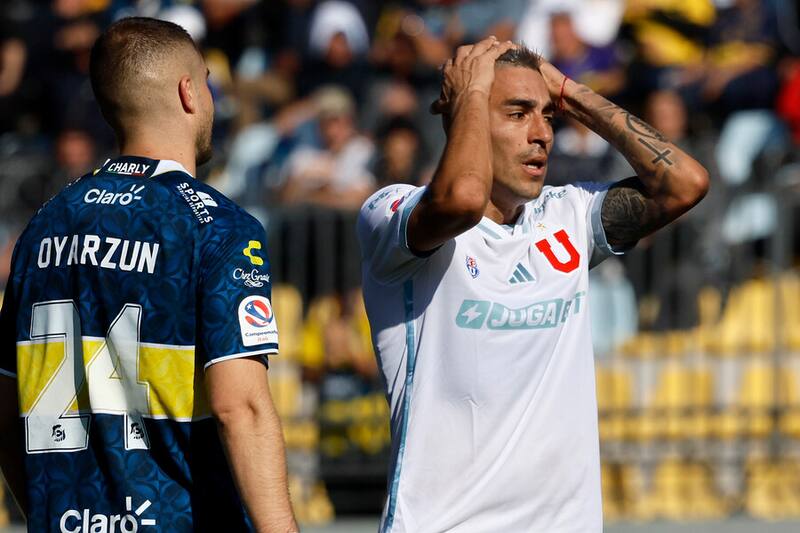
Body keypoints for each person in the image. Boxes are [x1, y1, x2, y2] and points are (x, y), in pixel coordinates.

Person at [357, 37, 708, 532]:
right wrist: (471, 96)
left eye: (548, 115)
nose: (542, 133)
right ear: (464, 111)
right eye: (518, 113)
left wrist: (572, 93)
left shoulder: (568, 215)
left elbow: (686, 183)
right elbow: (462, 198)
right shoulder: (391, 211)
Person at [0, 17, 298, 533]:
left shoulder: (42, 227)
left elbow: (7, 413)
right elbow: (241, 408)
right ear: (188, 92)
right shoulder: (217, 227)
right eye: (206, 81)